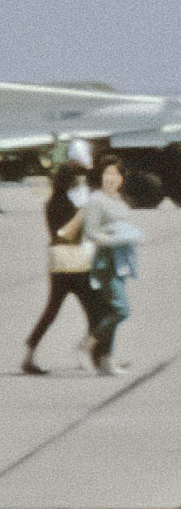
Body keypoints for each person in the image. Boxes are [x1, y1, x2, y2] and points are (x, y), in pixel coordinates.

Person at [21, 154, 94, 374]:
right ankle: (91, 353)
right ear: (68, 181)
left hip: (60, 262)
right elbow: (68, 233)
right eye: (75, 179)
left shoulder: (54, 202)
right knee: (97, 311)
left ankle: (30, 355)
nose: (77, 183)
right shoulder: (62, 204)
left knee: (52, 311)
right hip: (71, 264)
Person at [73, 161, 141, 374]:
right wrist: (114, 240)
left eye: (115, 175)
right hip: (105, 262)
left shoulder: (118, 198)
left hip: (121, 261)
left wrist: (129, 235)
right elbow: (91, 232)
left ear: (122, 178)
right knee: (121, 310)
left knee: (110, 311)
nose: (111, 178)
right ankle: (86, 345)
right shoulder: (96, 200)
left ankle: (106, 360)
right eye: (106, 174)